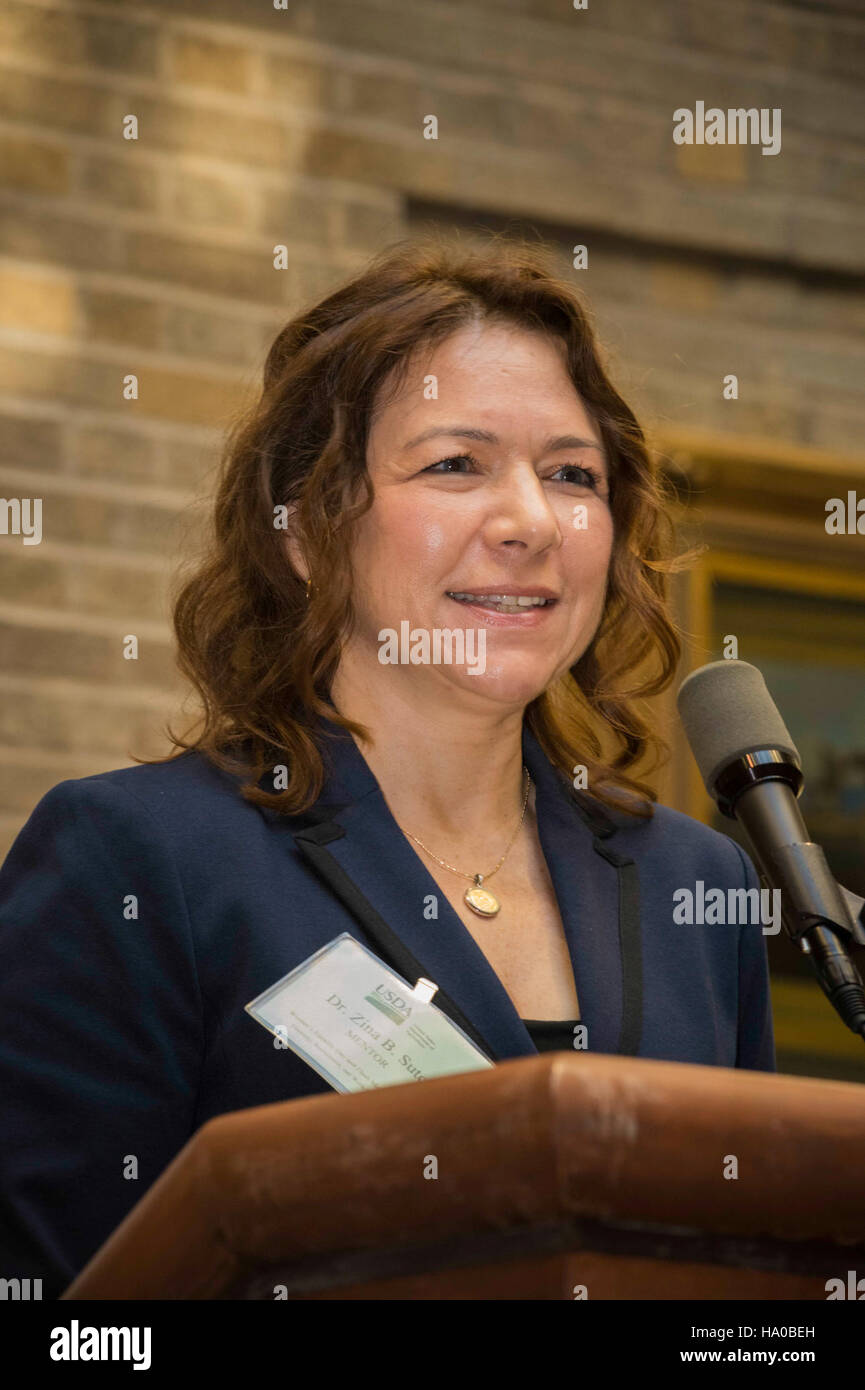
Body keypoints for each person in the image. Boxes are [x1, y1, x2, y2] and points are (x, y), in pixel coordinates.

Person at [0, 234, 775, 1298]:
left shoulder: (701, 882)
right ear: (308, 530)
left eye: (571, 474)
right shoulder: (140, 859)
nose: (530, 522)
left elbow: (751, 1272)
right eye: (455, 464)